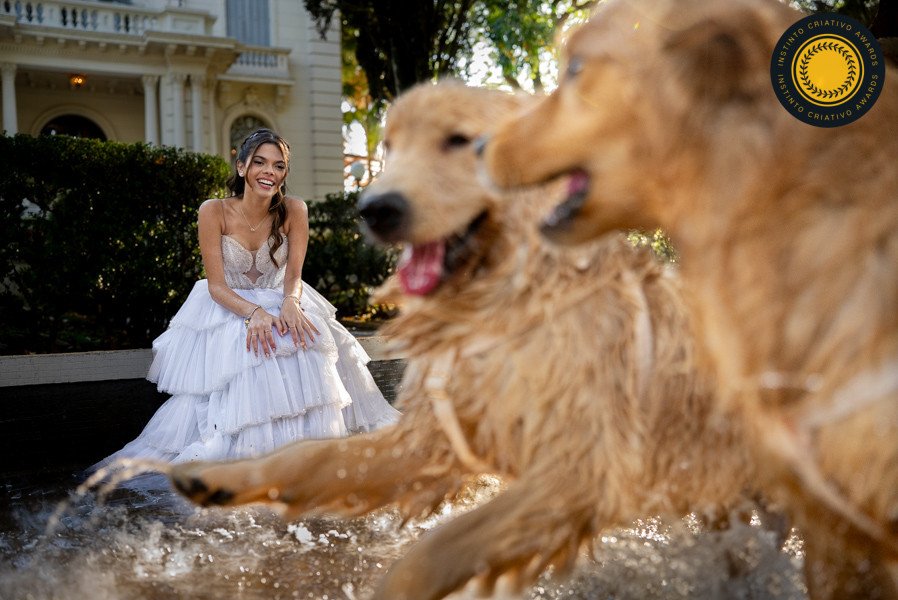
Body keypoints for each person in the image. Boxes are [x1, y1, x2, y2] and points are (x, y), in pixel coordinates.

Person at [97, 128, 399, 467]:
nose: (269, 172)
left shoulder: (295, 210)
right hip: (228, 304)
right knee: (252, 348)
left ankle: (306, 455)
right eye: (260, 162)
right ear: (241, 167)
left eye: (279, 166)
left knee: (302, 339)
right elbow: (216, 286)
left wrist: (290, 302)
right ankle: (249, 453)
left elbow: (293, 276)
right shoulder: (213, 211)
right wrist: (254, 313)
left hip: (282, 296)